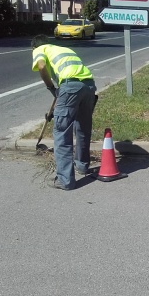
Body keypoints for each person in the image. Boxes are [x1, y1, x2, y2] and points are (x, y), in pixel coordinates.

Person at [31, 34, 97, 190]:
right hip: (89, 86)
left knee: (62, 132)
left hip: (69, 86)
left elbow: (41, 66)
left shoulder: (40, 49)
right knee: (83, 128)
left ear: (34, 47)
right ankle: (82, 166)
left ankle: (65, 180)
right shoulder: (63, 49)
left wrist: (51, 88)